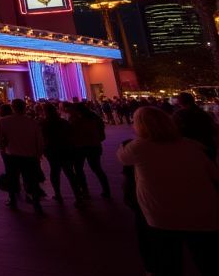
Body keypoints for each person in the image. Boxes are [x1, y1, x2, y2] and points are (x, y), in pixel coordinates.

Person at [118, 105, 219, 274]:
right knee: (206, 259)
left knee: (168, 259)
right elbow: (214, 175)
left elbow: (122, 157)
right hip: (202, 212)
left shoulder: (137, 147)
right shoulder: (193, 146)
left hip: (161, 214)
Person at [0, 98, 44, 213]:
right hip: (30, 156)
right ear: (25, 107)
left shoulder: (4, 121)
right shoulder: (32, 122)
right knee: (32, 180)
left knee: (12, 178)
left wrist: (3, 149)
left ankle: (12, 200)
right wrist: (38, 154)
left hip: (11, 155)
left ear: (13, 107)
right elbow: (40, 141)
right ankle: (36, 203)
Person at [67, 102, 111, 199]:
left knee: (79, 169)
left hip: (79, 147)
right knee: (97, 169)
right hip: (94, 146)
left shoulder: (74, 120)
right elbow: (102, 136)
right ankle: (106, 190)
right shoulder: (95, 118)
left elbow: (70, 134)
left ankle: (85, 190)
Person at [41, 103, 82, 203]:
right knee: (70, 172)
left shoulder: (44, 123)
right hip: (66, 149)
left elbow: (42, 138)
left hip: (52, 150)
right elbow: (72, 134)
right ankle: (78, 195)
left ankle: (58, 194)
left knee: (55, 172)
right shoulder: (63, 122)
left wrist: (43, 149)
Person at [172, 92, 218, 161]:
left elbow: (174, 131)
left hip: (189, 148)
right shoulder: (205, 114)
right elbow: (214, 130)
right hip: (207, 146)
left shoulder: (179, 115)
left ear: (180, 102)